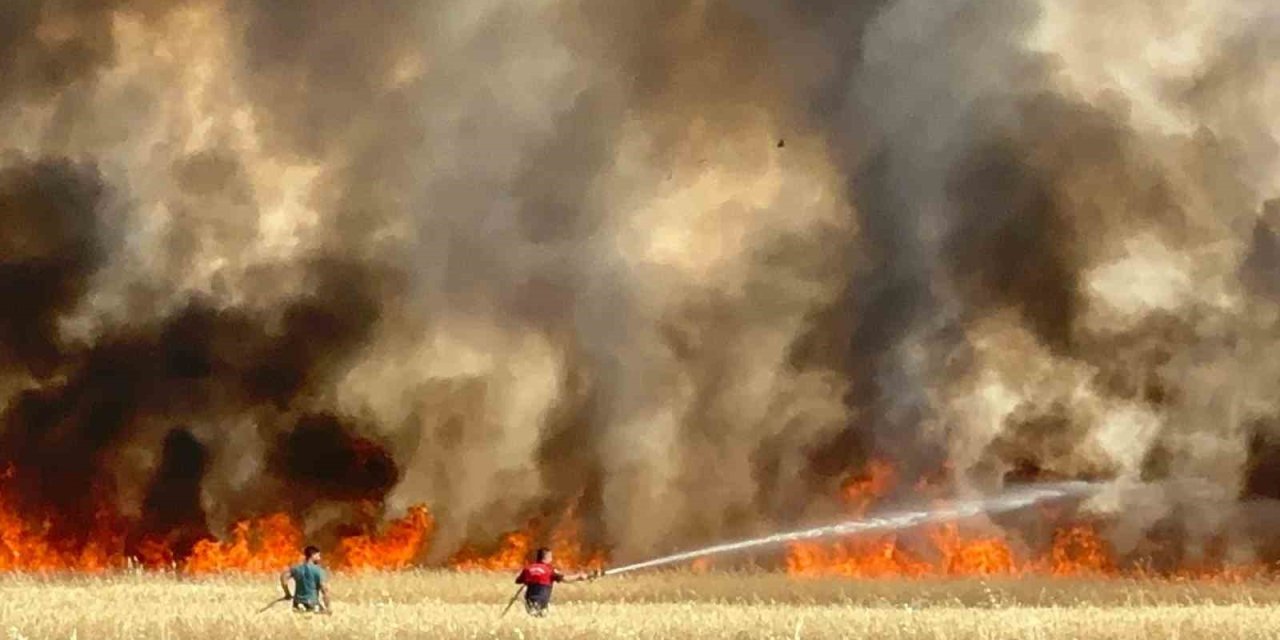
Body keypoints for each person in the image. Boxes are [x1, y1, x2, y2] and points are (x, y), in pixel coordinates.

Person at [514, 547, 596, 616]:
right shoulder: (549, 570)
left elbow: (518, 581)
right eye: (551, 557)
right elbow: (565, 579)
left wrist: (530, 579)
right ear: (547, 557)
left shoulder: (528, 568)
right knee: (541, 620)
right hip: (542, 602)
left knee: (533, 619)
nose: (551, 559)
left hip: (529, 602)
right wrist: (579, 576)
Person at [280, 545, 331, 614]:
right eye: (318, 556)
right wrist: (328, 608)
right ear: (312, 555)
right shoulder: (319, 571)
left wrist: (287, 593)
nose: (319, 558)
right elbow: (325, 590)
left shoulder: (297, 569)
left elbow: (284, 577)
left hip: (297, 604)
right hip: (312, 604)